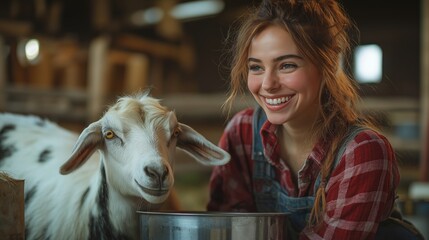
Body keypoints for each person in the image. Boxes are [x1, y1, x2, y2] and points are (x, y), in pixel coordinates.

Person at [207, 0, 423, 239]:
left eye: (287, 65)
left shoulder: (362, 153)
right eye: (256, 68)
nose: (267, 84)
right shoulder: (242, 133)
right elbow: (227, 231)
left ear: (327, 65)